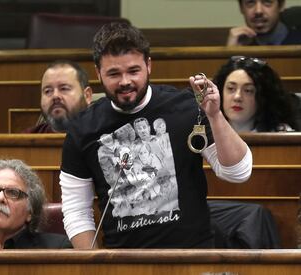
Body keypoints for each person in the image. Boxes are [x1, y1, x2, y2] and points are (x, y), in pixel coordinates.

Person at [60, 22, 252, 249]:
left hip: (193, 256)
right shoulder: (82, 128)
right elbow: (76, 211)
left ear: (149, 65)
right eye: (114, 73)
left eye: (133, 71)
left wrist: (215, 115)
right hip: (123, 262)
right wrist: (94, 266)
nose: (125, 82)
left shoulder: (186, 108)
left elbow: (237, 173)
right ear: (98, 73)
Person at [212, 55, 298, 132]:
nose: (237, 97)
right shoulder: (206, 133)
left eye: (248, 90)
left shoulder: (282, 135)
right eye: (231, 89)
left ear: (264, 97)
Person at [24, 60, 93, 133]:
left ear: (87, 95)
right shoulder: (26, 140)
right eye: (48, 91)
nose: (55, 96)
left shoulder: (103, 137)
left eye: (64, 88)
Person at [227, 0, 301, 46]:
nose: (258, 11)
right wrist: (230, 54)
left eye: (267, 2)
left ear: (281, 6)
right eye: (250, 2)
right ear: (241, 8)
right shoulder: (242, 46)